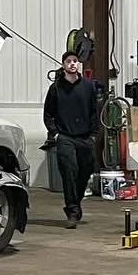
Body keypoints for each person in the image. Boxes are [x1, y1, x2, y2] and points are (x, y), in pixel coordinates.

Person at [43, 52, 100, 228]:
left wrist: (93, 135)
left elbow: (94, 112)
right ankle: (72, 212)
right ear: (63, 65)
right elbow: (48, 114)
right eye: (69, 61)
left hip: (85, 137)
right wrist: (56, 134)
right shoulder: (56, 89)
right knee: (69, 172)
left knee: (85, 172)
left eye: (75, 61)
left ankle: (76, 202)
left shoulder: (88, 87)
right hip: (65, 137)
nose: (73, 64)